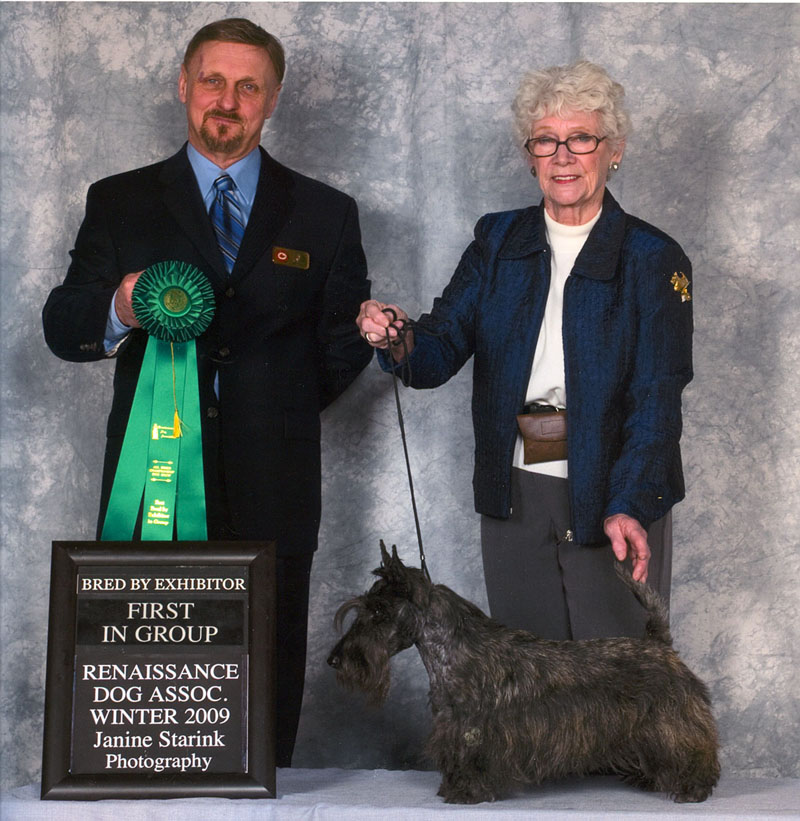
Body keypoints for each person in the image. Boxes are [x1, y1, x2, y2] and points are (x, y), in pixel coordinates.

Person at [42, 18, 372, 765]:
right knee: (150, 677)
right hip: (152, 472)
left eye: (249, 86)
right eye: (213, 81)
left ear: (273, 100)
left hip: (277, 477)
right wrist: (121, 306)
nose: (228, 100)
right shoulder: (119, 200)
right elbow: (63, 326)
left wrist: (273, 404)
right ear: (183, 85)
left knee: (266, 678)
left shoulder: (327, 212)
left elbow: (343, 341)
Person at [357, 61, 692, 642]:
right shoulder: (496, 240)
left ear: (613, 150)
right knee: (526, 677)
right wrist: (396, 334)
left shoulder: (653, 257)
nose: (563, 156)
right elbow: (436, 350)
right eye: (545, 141)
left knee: (614, 679)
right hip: (514, 487)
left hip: (611, 489)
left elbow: (656, 400)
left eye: (580, 138)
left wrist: (630, 503)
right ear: (530, 155)